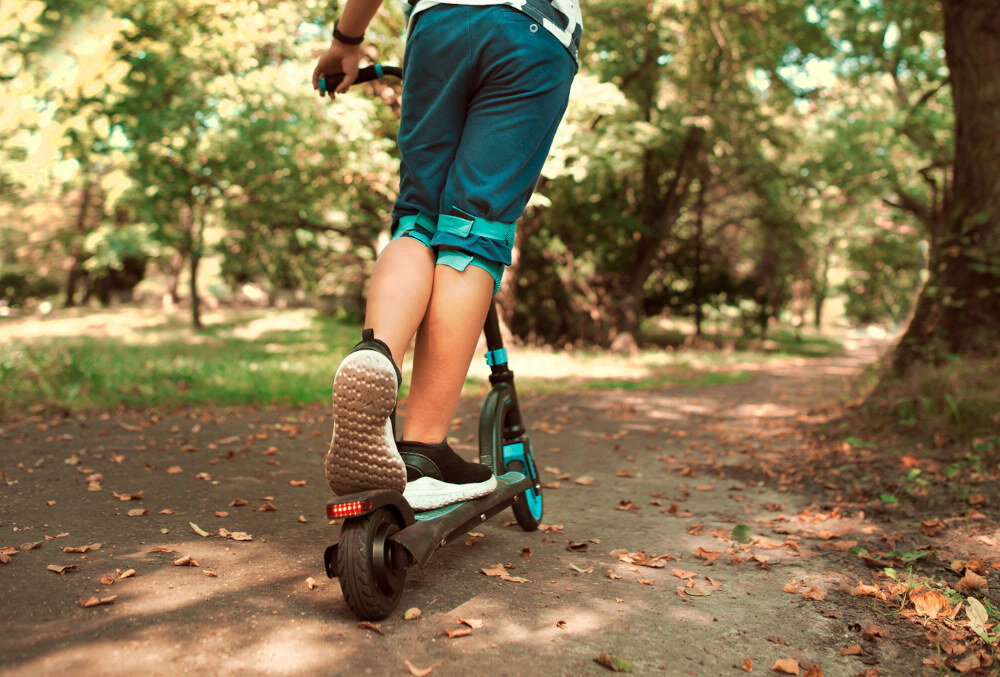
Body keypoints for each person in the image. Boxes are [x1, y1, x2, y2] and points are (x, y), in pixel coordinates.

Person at [311, 0, 582, 511]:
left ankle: (377, 356)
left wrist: (346, 42)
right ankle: (423, 452)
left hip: (438, 26)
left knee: (416, 219)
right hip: (531, 29)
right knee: (473, 229)